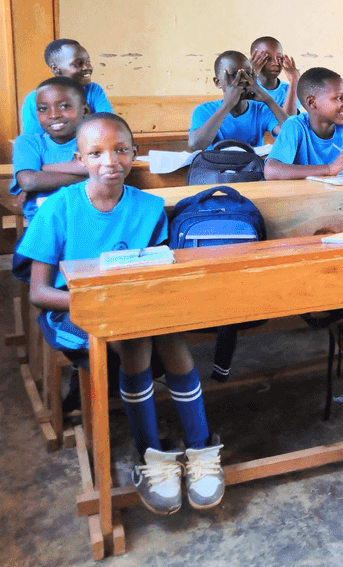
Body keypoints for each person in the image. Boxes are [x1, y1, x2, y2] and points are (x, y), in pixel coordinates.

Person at [15, 113, 224, 515]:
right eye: (96, 153)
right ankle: (151, 453)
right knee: (138, 333)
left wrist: (135, 300)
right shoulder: (57, 209)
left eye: (120, 150)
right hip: (74, 312)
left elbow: (158, 271)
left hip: (138, 307)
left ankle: (200, 448)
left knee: (163, 331)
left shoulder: (148, 207)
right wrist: (105, 298)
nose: (110, 161)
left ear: (134, 153)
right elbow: (40, 293)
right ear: (79, 158)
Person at [264, 67, 343, 179]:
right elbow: (271, 171)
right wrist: (329, 169)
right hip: (306, 199)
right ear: (312, 102)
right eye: (338, 98)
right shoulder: (295, 126)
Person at [11, 78, 89, 221]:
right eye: (43, 109)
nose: (53, 115)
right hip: (42, 227)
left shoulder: (94, 140)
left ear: (85, 110)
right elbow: (29, 181)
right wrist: (90, 175)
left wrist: (43, 169)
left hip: (87, 222)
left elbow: (101, 167)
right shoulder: (28, 142)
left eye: (65, 106)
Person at [188, 51, 288, 150]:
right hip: (215, 165)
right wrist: (227, 105)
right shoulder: (204, 110)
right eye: (233, 75)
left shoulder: (261, 110)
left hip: (251, 166)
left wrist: (268, 99)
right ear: (218, 82)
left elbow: (292, 134)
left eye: (248, 74)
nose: (244, 80)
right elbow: (195, 145)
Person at [19, 39, 112, 134]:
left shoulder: (93, 90)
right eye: (78, 64)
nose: (87, 67)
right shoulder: (35, 99)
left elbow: (109, 125)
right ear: (56, 69)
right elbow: (33, 139)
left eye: (88, 62)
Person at [250, 36, 300, 117]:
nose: (275, 63)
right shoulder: (247, 87)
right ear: (254, 59)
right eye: (267, 58)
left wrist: (294, 81)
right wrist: (250, 75)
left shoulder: (291, 89)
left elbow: (288, 125)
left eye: (279, 58)